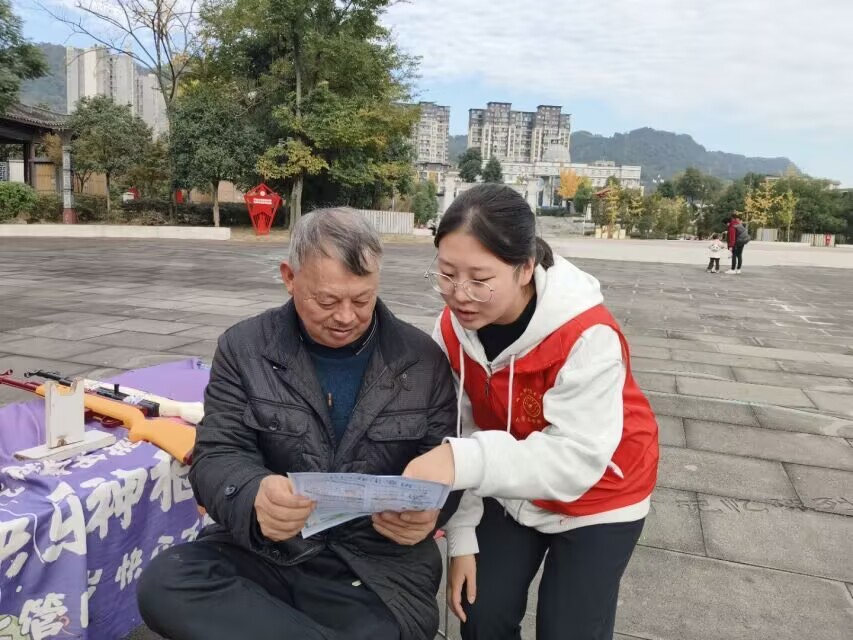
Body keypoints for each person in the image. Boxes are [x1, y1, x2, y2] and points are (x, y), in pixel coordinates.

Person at [137, 208, 461, 640]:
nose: (345, 316)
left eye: (362, 300)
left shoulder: (421, 360)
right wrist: (253, 494)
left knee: (379, 629)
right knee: (165, 584)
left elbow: (447, 464)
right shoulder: (245, 348)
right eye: (326, 301)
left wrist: (431, 512)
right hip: (267, 550)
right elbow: (217, 453)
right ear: (289, 277)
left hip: (375, 565)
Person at [403, 183, 660, 640]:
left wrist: (462, 460)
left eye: (480, 280)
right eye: (446, 274)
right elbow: (460, 428)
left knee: (568, 630)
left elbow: (574, 460)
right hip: (510, 489)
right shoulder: (452, 331)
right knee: (480, 615)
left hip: (599, 495)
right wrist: (462, 540)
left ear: (524, 268)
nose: (460, 294)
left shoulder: (586, 335)